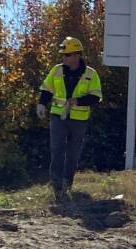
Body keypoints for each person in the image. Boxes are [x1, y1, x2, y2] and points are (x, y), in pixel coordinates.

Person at [37, 37, 102, 202]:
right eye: (63, 55)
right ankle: (56, 184)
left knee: (73, 153)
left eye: (67, 55)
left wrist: (78, 101)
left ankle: (68, 183)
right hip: (58, 116)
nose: (63, 58)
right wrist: (42, 104)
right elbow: (47, 89)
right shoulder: (57, 70)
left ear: (77, 55)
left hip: (79, 119)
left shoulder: (90, 74)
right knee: (57, 149)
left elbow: (96, 97)